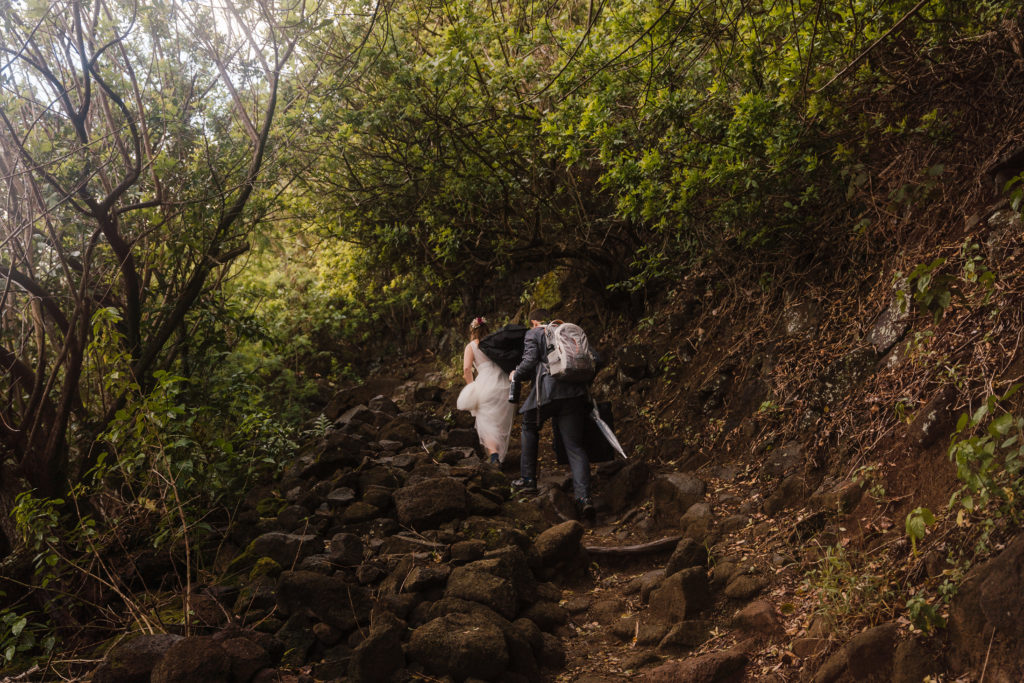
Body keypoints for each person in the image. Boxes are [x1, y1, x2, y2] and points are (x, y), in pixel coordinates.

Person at [509, 308, 595, 520]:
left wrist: (515, 375)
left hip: (547, 392)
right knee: (575, 446)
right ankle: (584, 499)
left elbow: (529, 362)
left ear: (534, 322)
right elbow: (595, 359)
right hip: (574, 392)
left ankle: (528, 479)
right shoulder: (567, 331)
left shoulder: (535, 333)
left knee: (529, 426)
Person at [456, 316, 516, 465]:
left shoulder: (471, 346)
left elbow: (466, 369)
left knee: (486, 422)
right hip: (503, 383)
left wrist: (471, 387)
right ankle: (499, 454)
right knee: (499, 421)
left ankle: (494, 455)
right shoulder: (495, 342)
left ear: (472, 331)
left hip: (485, 384)